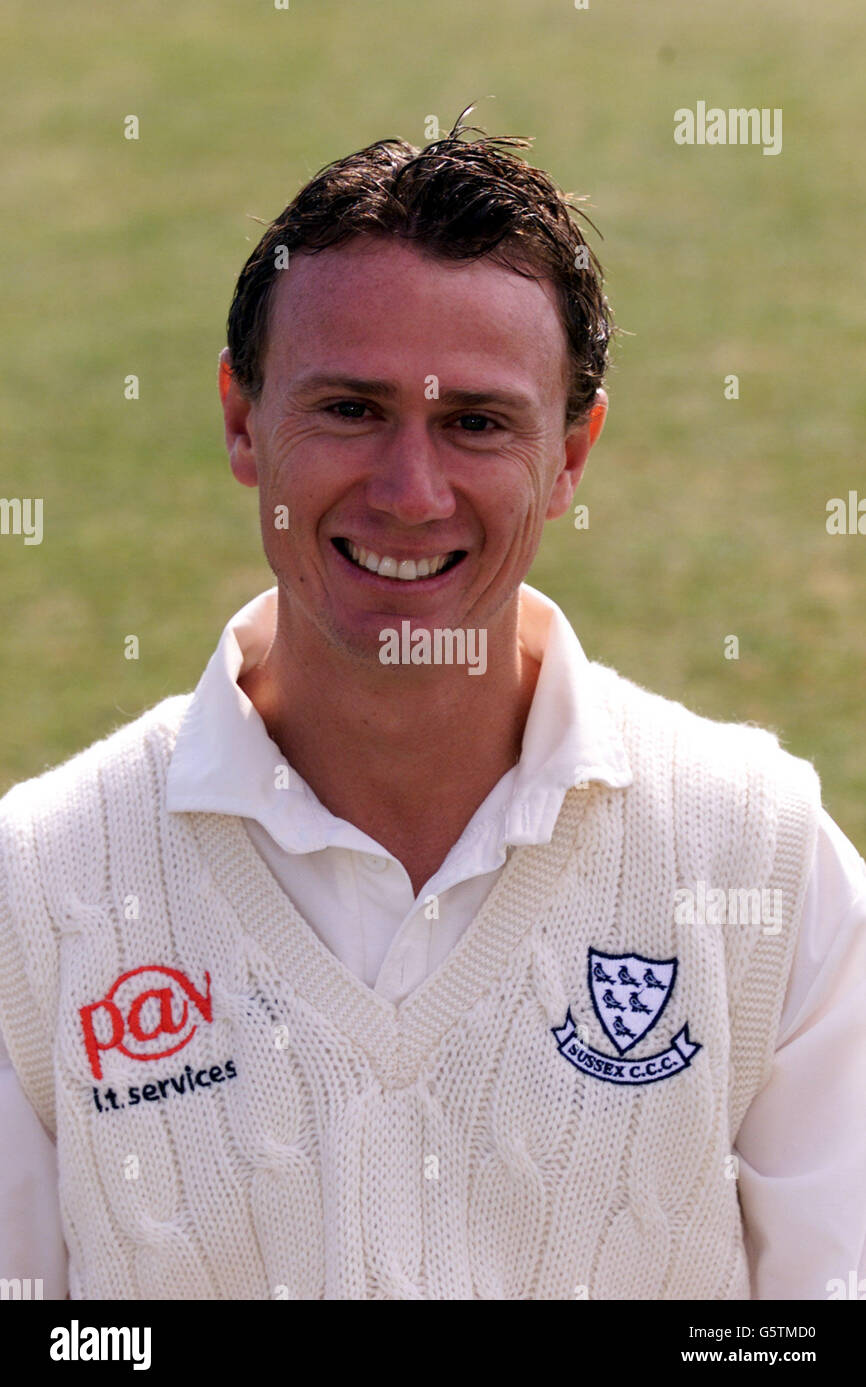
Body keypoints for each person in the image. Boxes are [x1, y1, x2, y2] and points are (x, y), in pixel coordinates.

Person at [0, 109, 863, 1302]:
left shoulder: (761, 857)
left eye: (475, 423)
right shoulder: (39, 893)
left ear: (570, 455)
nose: (411, 492)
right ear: (241, 420)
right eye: (350, 409)